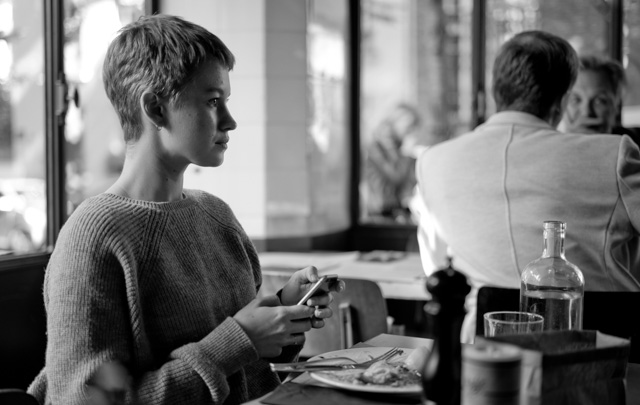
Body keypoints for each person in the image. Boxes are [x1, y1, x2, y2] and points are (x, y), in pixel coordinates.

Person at [28, 14, 344, 405]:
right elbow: (88, 402)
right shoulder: (93, 237)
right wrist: (239, 340)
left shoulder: (217, 216)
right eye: (213, 101)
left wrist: (281, 316)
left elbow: (247, 368)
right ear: (156, 109)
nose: (230, 120)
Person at [414, 30, 640, 343]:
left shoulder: (433, 161)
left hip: (484, 352)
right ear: (563, 97)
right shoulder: (614, 155)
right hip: (609, 357)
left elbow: (437, 269)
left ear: (496, 90)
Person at [561, 53, 640, 144]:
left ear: (617, 105)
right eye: (575, 100)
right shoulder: (549, 150)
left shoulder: (634, 144)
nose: (586, 112)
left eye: (599, 101)